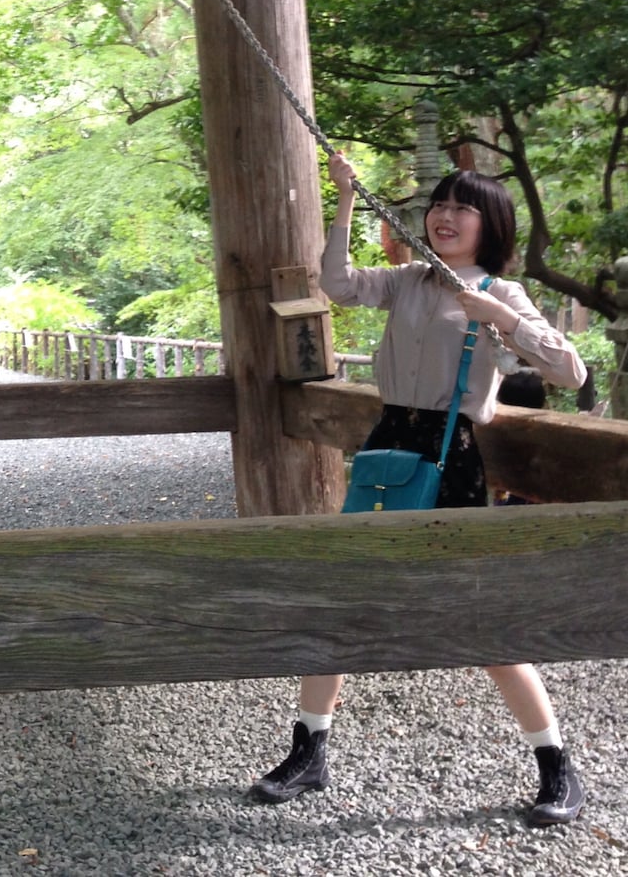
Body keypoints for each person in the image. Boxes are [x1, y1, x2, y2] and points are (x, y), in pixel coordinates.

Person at [249, 153, 588, 828]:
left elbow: (570, 372)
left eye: (463, 208)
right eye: (440, 205)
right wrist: (346, 198)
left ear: (491, 225)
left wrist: (500, 315)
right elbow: (338, 283)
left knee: (478, 622)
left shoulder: (501, 290)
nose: (445, 216)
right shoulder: (408, 279)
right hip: (388, 448)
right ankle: (308, 751)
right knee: (345, 602)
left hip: (449, 457)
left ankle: (557, 766)